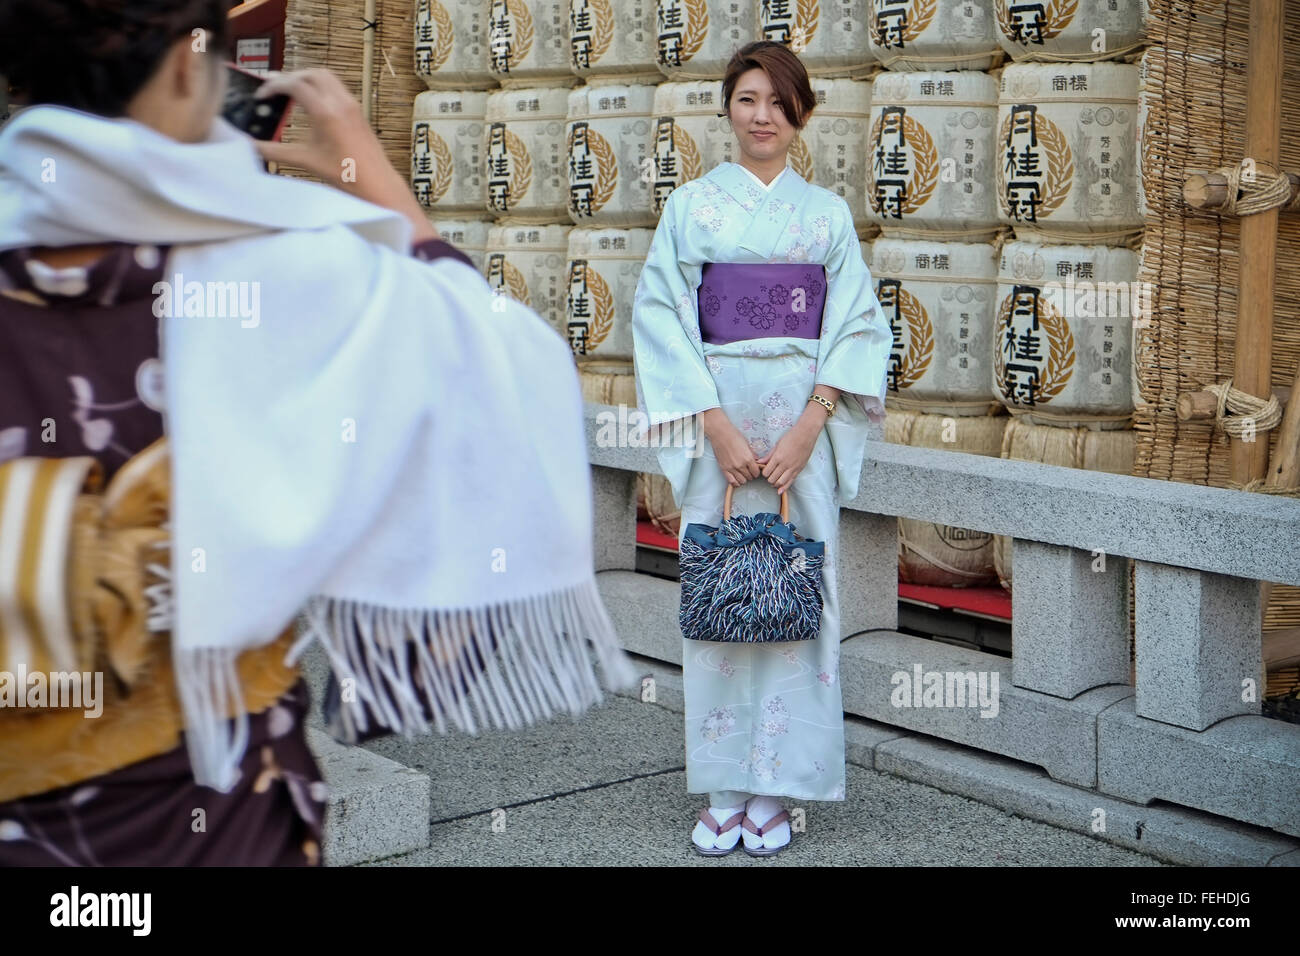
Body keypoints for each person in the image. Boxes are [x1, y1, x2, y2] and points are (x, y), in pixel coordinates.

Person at [0, 0, 635, 865]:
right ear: (193, 69)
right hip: (207, 807)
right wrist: (368, 171)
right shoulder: (284, 269)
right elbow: (491, 351)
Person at [632, 40, 892, 857]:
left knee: (796, 593)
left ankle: (779, 788)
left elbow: (855, 326)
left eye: (779, 103)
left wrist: (813, 422)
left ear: (801, 113)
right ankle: (723, 786)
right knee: (719, 589)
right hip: (719, 418)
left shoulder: (825, 218)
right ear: (727, 108)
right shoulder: (691, 209)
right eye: (748, 100)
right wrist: (713, 425)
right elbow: (660, 316)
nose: (763, 117)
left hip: (801, 425)